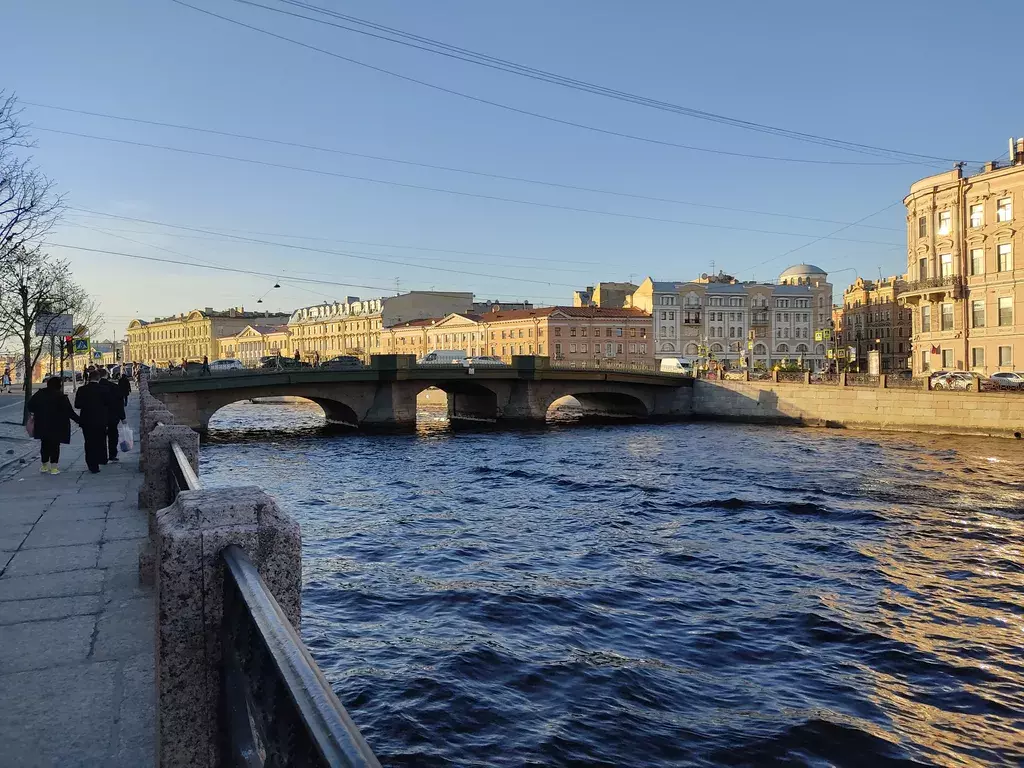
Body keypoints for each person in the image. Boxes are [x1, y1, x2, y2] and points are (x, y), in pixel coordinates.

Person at [28, 377, 80, 474]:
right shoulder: (61, 396)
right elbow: (69, 412)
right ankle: (54, 467)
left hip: (42, 423)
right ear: (59, 385)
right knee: (55, 445)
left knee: (44, 444)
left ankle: (44, 466)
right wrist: (80, 421)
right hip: (57, 425)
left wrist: (38, 412)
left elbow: (30, 405)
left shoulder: (40, 394)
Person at [74, 370, 109, 473]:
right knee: (100, 440)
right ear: (98, 378)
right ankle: (100, 459)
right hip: (101, 419)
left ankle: (91, 464)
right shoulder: (104, 389)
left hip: (87, 420)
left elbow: (77, 405)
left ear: (89, 378)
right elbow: (109, 403)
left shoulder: (82, 390)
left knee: (89, 442)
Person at [97, 368, 126, 463]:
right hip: (113, 416)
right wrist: (122, 417)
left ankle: (102, 457)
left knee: (100, 437)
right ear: (106, 375)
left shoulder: (95, 387)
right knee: (113, 435)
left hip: (99, 417)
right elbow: (119, 403)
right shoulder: (114, 386)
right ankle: (112, 454)